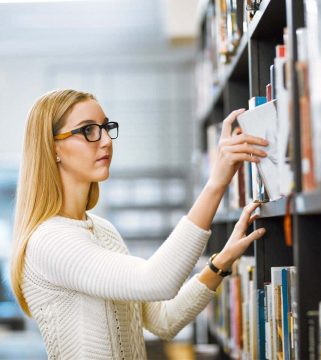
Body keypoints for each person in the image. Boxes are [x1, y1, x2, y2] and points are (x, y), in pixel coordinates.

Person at [10, 89, 268, 359]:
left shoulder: (102, 231)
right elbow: (157, 281)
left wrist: (221, 262)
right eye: (88, 130)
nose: (107, 141)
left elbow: (164, 321)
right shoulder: (49, 241)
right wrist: (217, 183)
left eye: (106, 127)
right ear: (53, 148)